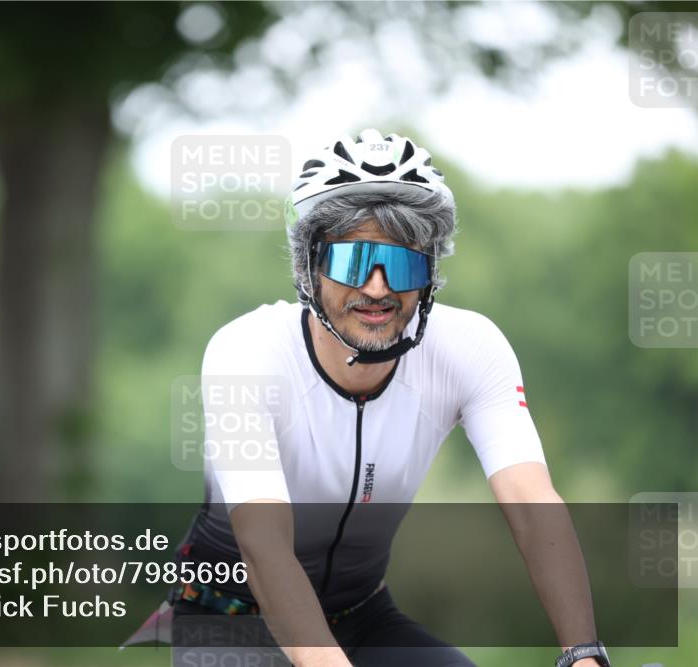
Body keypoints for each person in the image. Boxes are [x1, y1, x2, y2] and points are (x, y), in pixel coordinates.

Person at [168, 129, 611, 667]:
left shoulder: (471, 347)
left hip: (364, 615)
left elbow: (533, 503)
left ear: (429, 275)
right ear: (309, 267)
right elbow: (264, 549)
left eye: (401, 264)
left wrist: (583, 654)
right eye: (354, 262)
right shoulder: (246, 353)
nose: (377, 288)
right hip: (231, 620)